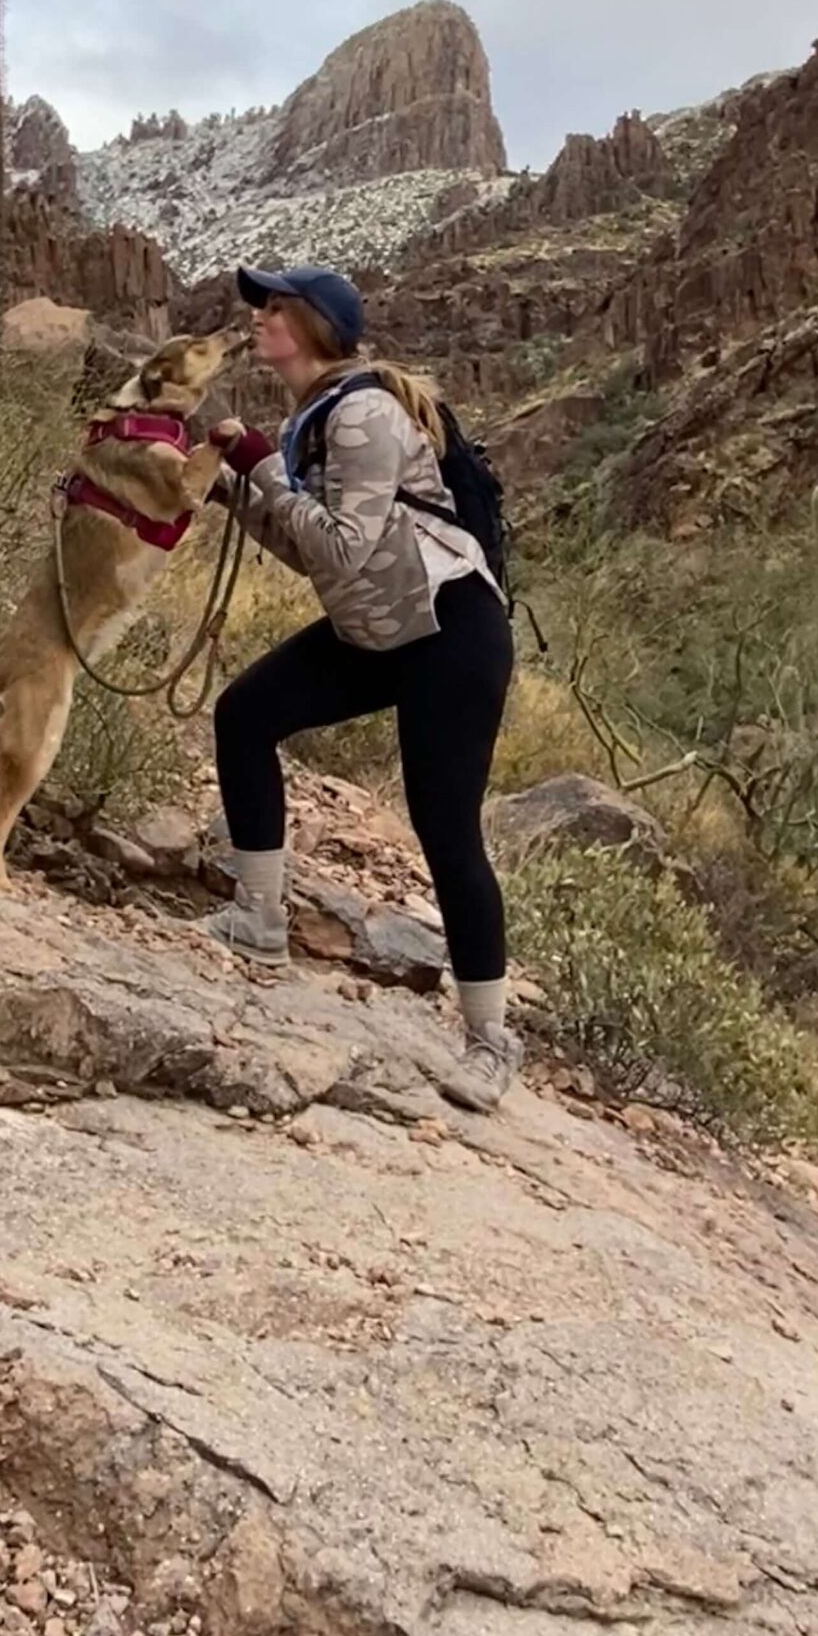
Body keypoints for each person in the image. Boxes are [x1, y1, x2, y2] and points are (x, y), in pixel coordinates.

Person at [203, 263, 521, 1112]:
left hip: (449, 630)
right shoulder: (313, 422)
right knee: (245, 715)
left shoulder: (366, 414)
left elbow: (341, 547)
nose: (260, 320)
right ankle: (259, 920)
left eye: (273, 309)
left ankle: (490, 1043)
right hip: (381, 627)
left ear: (311, 326)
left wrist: (262, 467)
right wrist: (232, 487)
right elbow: (311, 548)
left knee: (446, 829)